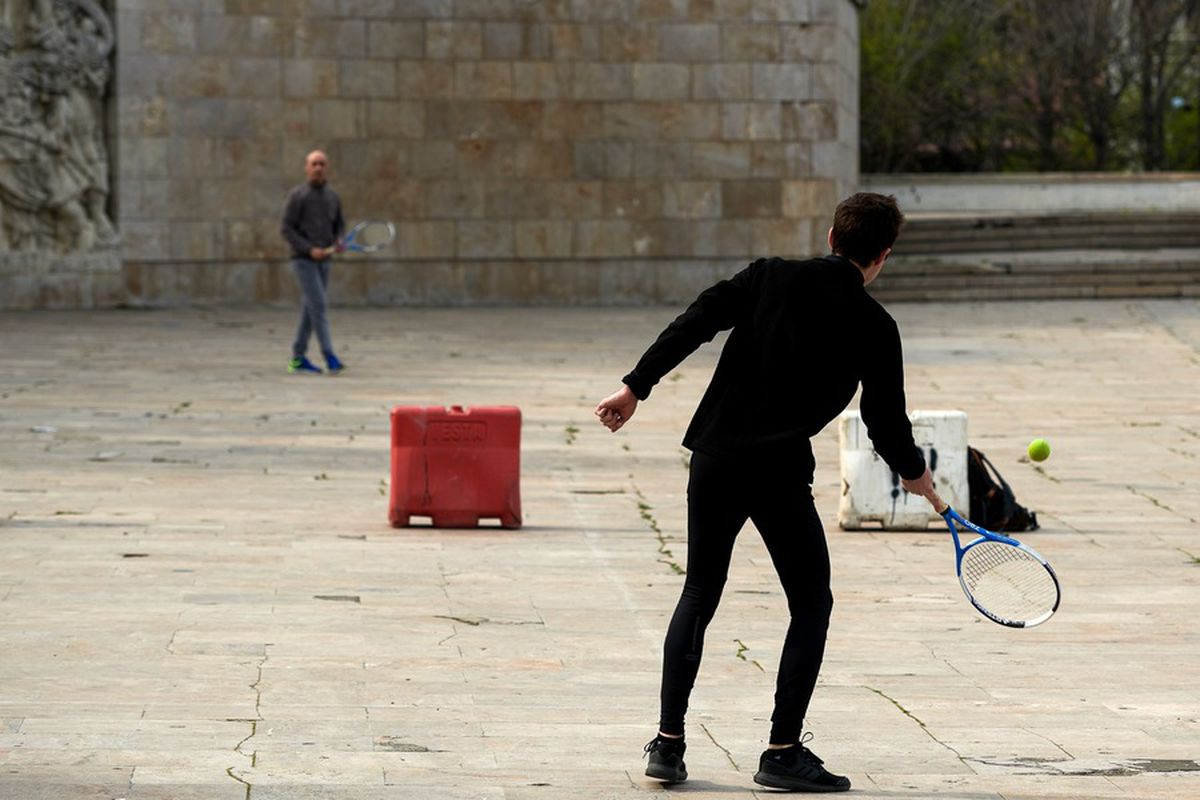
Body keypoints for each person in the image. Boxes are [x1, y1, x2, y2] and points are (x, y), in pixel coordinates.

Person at [594, 193, 938, 793]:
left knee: (699, 590)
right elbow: (885, 421)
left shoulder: (768, 275)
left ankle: (668, 745)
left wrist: (635, 387)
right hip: (778, 468)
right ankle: (781, 753)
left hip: (716, 456)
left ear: (831, 237)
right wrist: (917, 476)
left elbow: (696, 321)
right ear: (882, 256)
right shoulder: (876, 326)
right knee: (810, 604)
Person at [281, 150, 345, 375]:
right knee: (319, 305)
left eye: (322, 164)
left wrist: (338, 241)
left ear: (327, 168)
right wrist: (309, 249)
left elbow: (339, 225)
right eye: (314, 164)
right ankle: (330, 356)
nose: (318, 168)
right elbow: (286, 228)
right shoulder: (297, 196)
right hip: (303, 261)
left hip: (325, 261)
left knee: (311, 307)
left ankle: (298, 358)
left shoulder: (332, 197)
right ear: (306, 167)